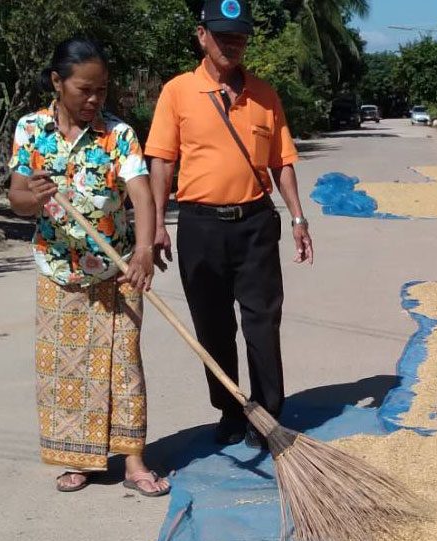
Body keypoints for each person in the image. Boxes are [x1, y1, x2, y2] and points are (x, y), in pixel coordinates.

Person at [145, 0, 312, 447]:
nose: (231, 45)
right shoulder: (178, 92)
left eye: (238, 37)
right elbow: (161, 161)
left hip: (255, 223)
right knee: (212, 323)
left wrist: (297, 216)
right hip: (200, 226)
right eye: (223, 36)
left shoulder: (265, 94)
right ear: (202, 36)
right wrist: (158, 223)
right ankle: (231, 409)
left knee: (262, 319)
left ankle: (268, 412)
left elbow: (283, 162)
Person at [7, 37, 169, 497]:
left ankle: (134, 462)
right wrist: (30, 198)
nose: (94, 99)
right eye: (84, 90)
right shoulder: (30, 129)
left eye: (101, 90)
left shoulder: (117, 134)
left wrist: (142, 251)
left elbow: (140, 192)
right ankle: (79, 461)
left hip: (117, 271)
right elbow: (16, 196)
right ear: (58, 83)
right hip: (59, 271)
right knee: (68, 369)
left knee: (124, 365)